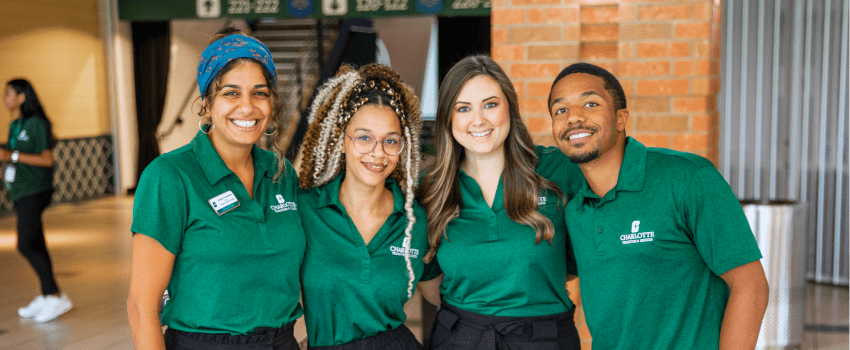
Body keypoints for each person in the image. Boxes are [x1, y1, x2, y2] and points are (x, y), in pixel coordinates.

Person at [548, 62, 769, 349]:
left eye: (590, 103)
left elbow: (750, 286)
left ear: (620, 118)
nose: (574, 117)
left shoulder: (688, 178)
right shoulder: (575, 208)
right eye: (560, 110)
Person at [127, 28, 304, 350]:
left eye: (260, 93)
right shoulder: (170, 176)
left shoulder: (281, 173)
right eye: (231, 93)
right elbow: (142, 308)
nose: (247, 107)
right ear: (207, 103)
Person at [417, 55, 584, 349]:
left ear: (510, 107)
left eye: (490, 104)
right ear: (448, 118)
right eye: (463, 108)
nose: (479, 120)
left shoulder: (558, 170)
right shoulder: (430, 189)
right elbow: (431, 287)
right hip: (461, 337)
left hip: (544, 338)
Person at [296, 63, 432, 349]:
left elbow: (445, 293)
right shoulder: (305, 211)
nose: (378, 152)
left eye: (390, 141)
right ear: (341, 141)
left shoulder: (414, 221)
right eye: (364, 137)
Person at [1, 78, 73, 323]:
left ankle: (54, 294)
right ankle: (47, 295)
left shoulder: (37, 124)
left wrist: (12, 155)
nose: (5, 98)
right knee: (37, 242)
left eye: (9, 94)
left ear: (22, 97)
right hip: (20, 191)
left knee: (25, 244)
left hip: (35, 190)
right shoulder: (15, 124)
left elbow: (46, 159)